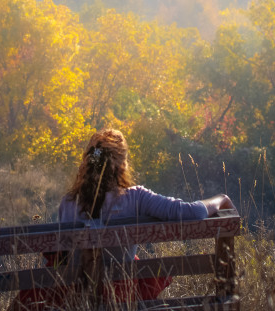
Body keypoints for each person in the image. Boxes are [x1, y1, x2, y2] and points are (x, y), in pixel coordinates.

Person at [15, 129, 234, 309]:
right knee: (134, 267)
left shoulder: (69, 202)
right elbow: (191, 213)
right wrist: (221, 199)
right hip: (120, 299)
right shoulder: (136, 197)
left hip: (75, 300)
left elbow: (63, 258)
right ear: (121, 164)